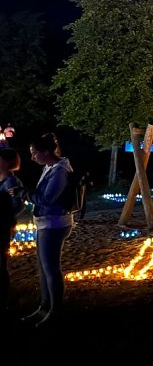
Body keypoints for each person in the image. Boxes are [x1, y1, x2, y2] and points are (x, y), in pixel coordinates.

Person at [19, 133, 75, 327]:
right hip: (46, 223)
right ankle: (44, 307)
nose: (32, 157)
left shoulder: (59, 171)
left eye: (35, 153)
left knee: (51, 269)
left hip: (54, 224)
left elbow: (47, 199)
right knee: (44, 268)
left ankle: (54, 311)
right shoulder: (50, 167)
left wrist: (23, 193)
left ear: (46, 152)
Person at [1, 147, 25, 310]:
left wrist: (6, 216)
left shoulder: (11, 182)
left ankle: (4, 298)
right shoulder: (2, 180)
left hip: (2, 227)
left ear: (7, 162)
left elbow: (18, 204)